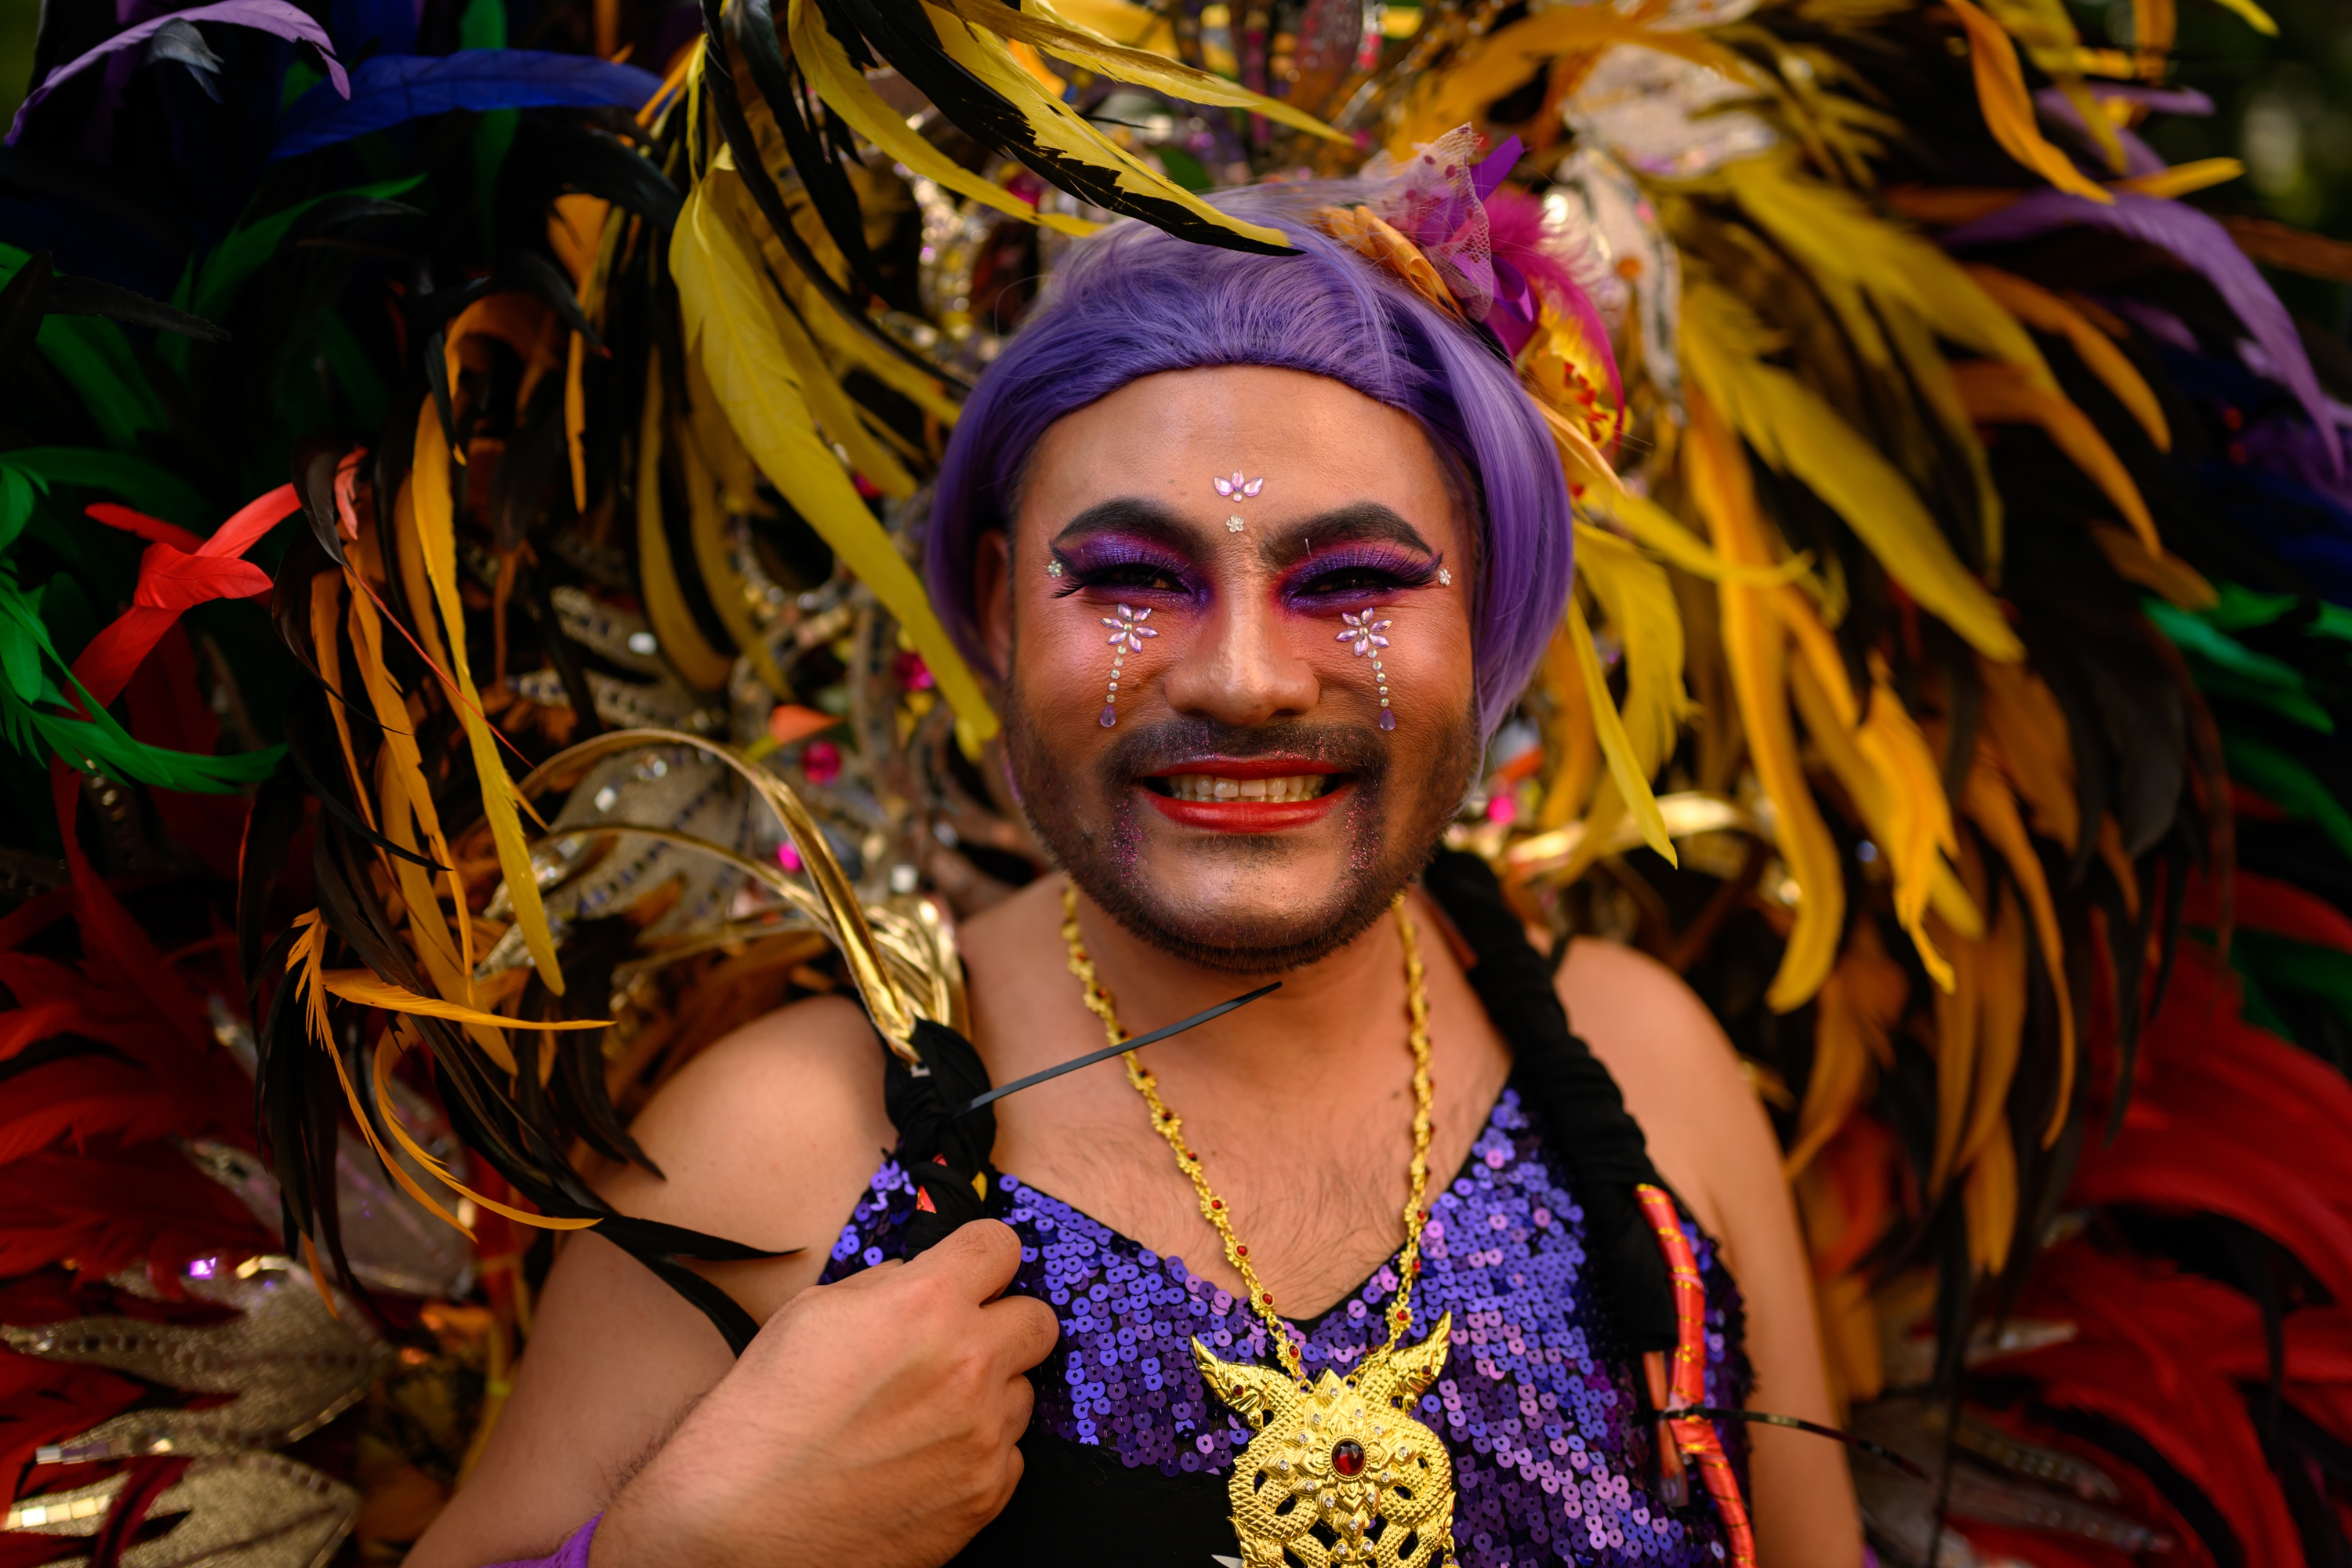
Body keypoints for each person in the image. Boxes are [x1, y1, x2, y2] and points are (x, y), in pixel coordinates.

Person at [404, 183, 1863, 1568]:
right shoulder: (784, 1151)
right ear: (992, 607)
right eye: (1130, 580)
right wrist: (688, 1549)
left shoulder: (1644, 1071)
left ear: (1484, 619)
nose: (1240, 680)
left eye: (1351, 583)